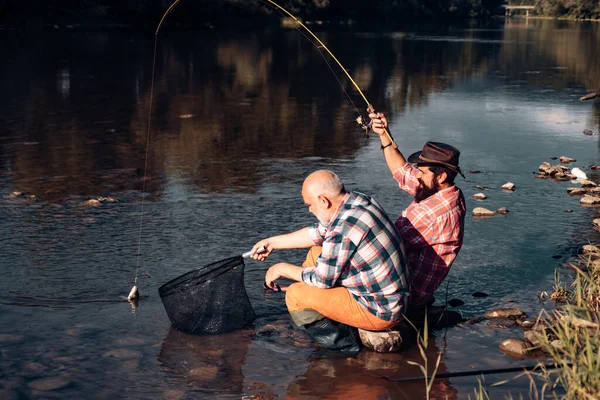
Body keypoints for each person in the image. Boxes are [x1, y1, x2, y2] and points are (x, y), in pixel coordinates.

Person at [251, 169, 409, 352]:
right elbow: (318, 232)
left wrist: (280, 269)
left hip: (380, 311)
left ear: (323, 201)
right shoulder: (358, 201)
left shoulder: (344, 228)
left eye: (309, 204)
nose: (309, 209)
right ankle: (328, 313)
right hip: (390, 297)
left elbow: (322, 279)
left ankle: (345, 348)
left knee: (295, 295)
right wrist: (272, 243)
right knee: (315, 253)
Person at [369, 112, 466, 308]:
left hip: (403, 295)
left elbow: (382, 246)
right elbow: (403, 171)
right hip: (416, 288)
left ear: (440, 177)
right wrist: (384, 134)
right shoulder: (447, 192)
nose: (417, 175)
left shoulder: (432, 212)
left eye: (421, 171)